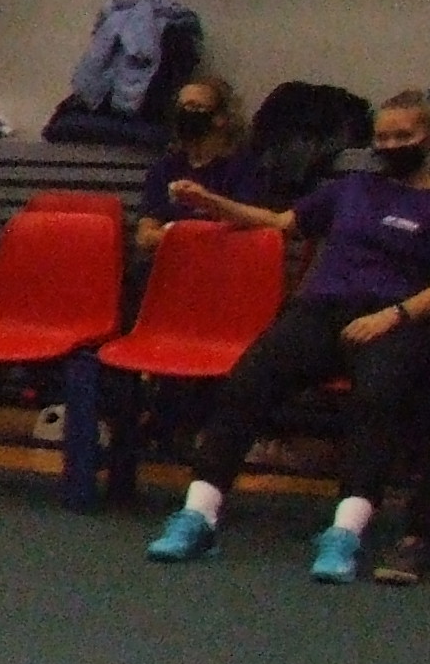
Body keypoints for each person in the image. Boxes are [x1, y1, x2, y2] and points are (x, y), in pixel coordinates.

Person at [148, 91, 430, 581]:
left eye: (402, 136)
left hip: (394, 319)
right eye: (382, 137)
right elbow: (281, 222)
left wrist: (393, 316)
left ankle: (345, 532)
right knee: (247, 382)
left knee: (377, 401)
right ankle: (198, 515)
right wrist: (211, 202)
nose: (390, 145)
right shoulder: (352, 188)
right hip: (320, 311)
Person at [136, 77, 260, 256]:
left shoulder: (243, 168)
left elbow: (243, 225)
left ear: (220, 117)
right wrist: (182, 237)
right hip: (169, 260)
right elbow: (145, 236)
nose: (186, 114)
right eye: (182, 107)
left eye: (195, 107)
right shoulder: (165, 167)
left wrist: (177, 232)